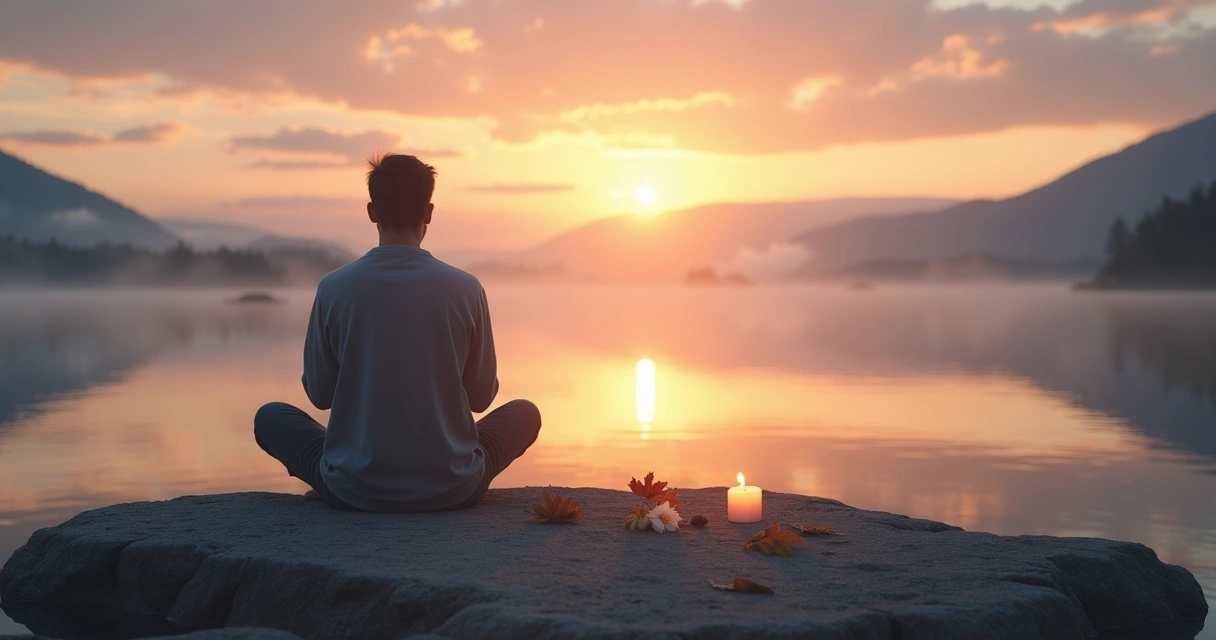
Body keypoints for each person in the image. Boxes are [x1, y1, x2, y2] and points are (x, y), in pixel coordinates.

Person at [253, 153, 541, 512]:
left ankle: (346, 469)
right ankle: (432, 470)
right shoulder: (466, 289)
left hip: (353, 490)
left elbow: (320, 393)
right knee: (525, 413)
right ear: (429, 213)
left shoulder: (333, 287)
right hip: (453, 489)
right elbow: (481, 399)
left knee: (270, 417)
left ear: (372, 211)